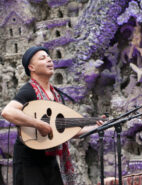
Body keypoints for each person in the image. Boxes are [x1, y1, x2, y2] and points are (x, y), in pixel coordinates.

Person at [1, 46, 104, 185]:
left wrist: (95, 127)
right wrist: (39, 124)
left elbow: (67, 131)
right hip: (29, 160)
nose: (49, 60)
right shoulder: (29, 90)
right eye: (42, 58)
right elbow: (8, 112)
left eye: (49, 57)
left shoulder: (56, 95)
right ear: (31, 67)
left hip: (49, 158)